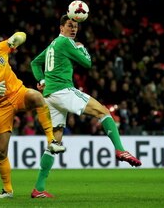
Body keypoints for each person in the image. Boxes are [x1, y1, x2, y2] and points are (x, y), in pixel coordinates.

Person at [30, 15, 142, 198]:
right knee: (104, 112)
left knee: (54, 142)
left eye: (75, 26)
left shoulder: (53, 44)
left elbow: (34, 63)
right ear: (61, 28)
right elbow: (87, 63)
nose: (73, 29)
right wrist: (83, 48)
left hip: (49, 95)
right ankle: (120, 149)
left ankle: (39, 188)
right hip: (62, 90)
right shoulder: (66, 42)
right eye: (70, 25)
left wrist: (42, 79)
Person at [0, 32, 66, 199]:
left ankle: (51, 141)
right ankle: (7, 191)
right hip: (1, 106)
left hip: (18, 93)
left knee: (37, 97)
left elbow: (21, 36)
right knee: (1, 152)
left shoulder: (0, 49)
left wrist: (17, 38)